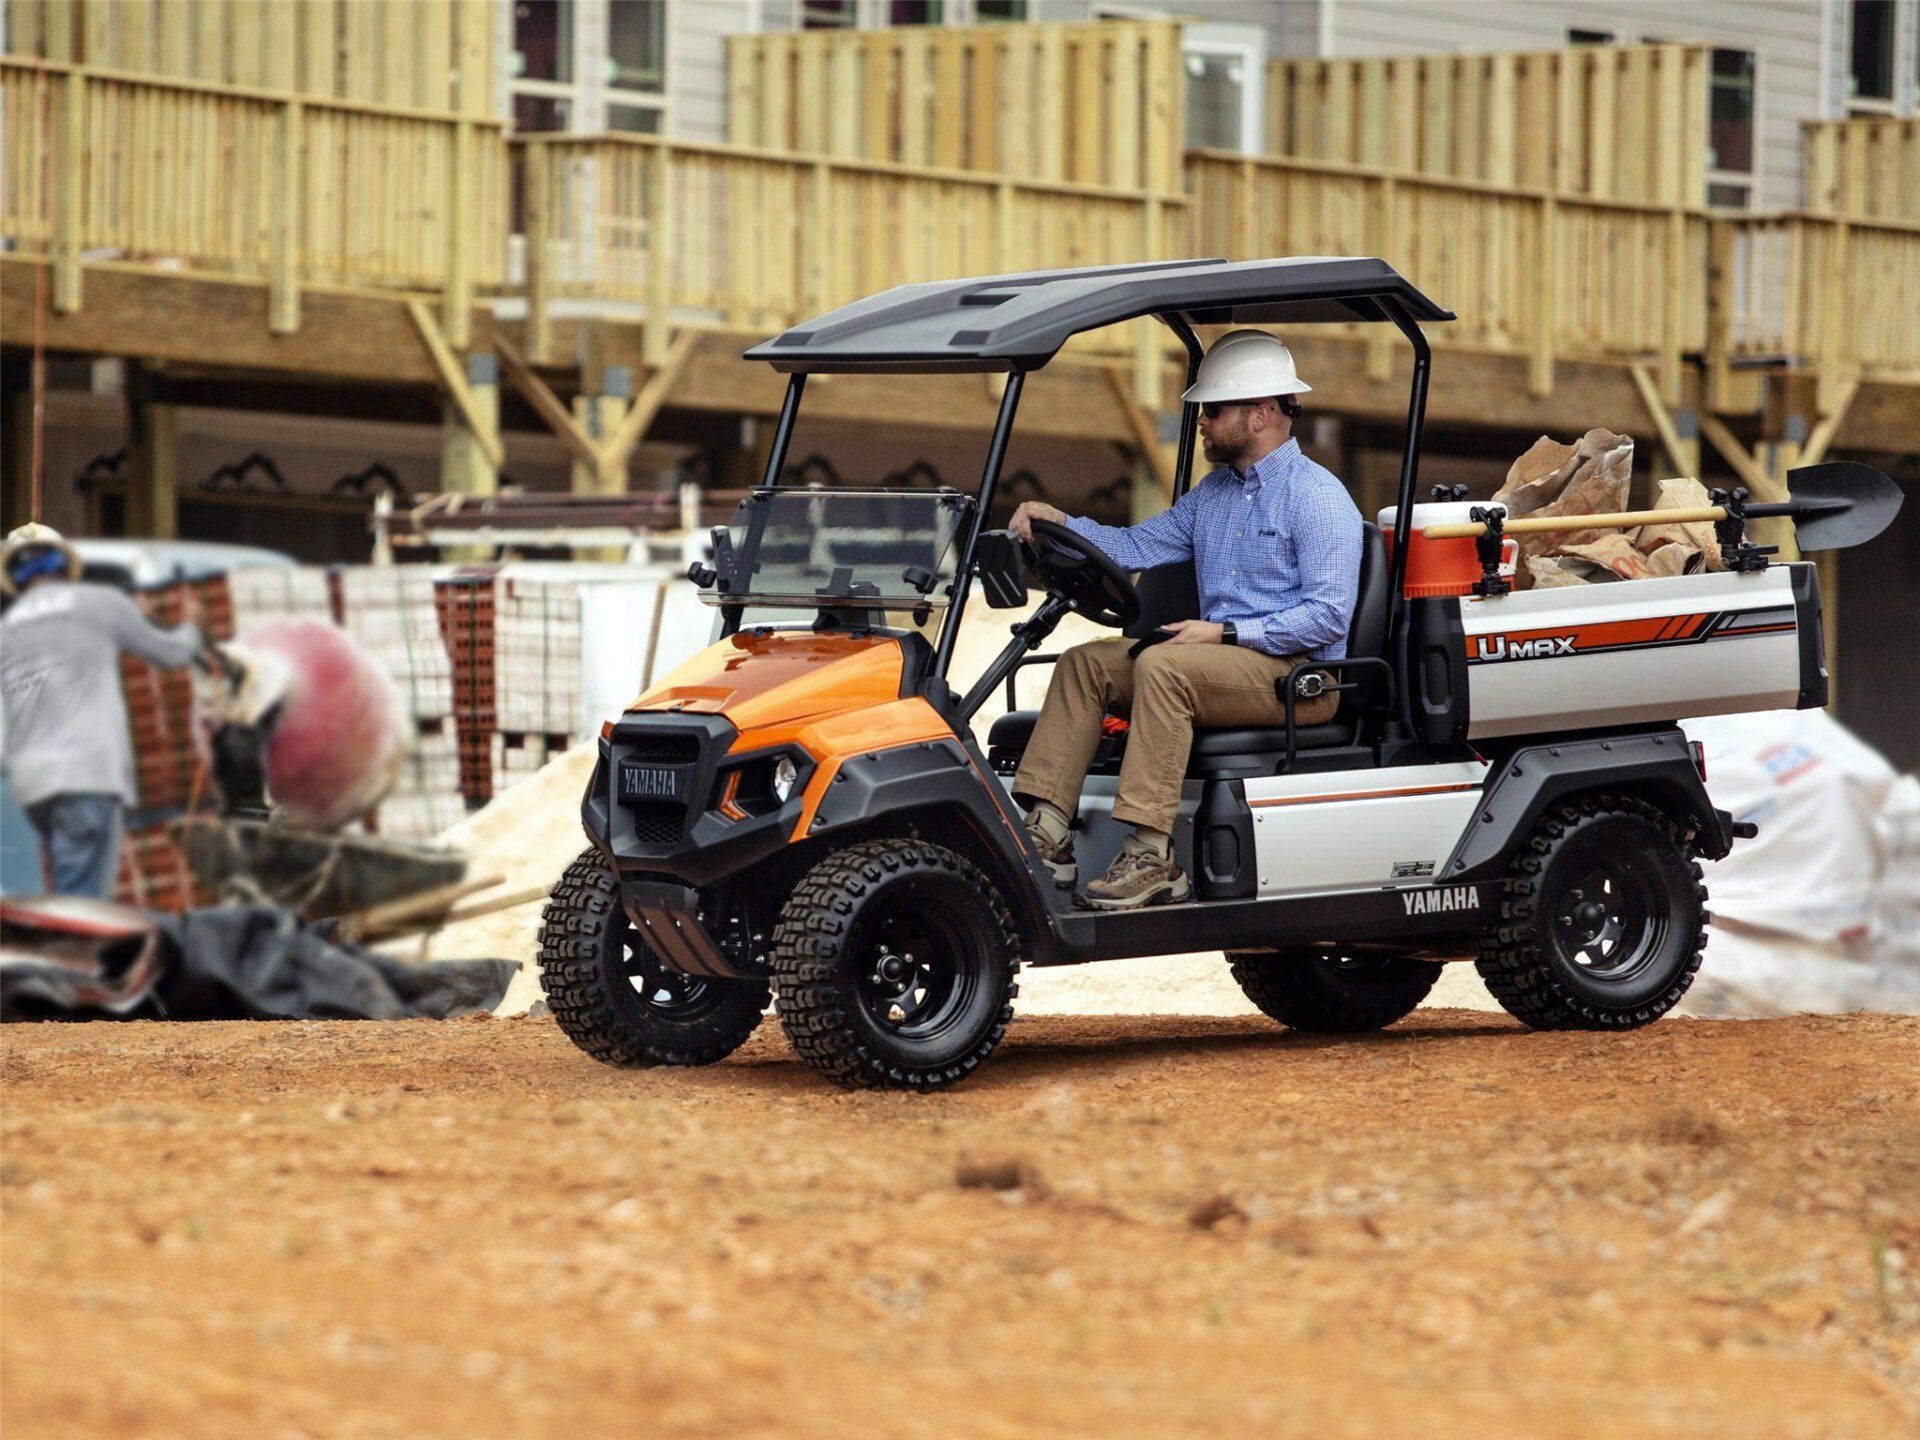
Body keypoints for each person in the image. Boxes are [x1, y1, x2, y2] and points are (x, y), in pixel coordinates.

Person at [1007, 331, 1362, 911]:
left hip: (1300, 677)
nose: (1199, 420)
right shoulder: (1213, 495)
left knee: (1166, 666)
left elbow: (1325, 619)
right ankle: (1046, 836)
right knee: (1085, 664)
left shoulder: (1318, 497)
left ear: (1262, 414)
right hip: (1222, 665)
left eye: (1212, 409)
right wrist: (1059, 522)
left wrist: (1223, 633)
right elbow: (1134, 546)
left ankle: (1151, 857)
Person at [0, 523, 206, 898]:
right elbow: (171, 652)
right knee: (83, 903)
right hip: (87, 776)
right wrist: (192, 623)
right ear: (64, 567)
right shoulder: (99, 603)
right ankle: (70, 954)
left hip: (32, 786)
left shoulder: (7, 629)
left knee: (66, 887)